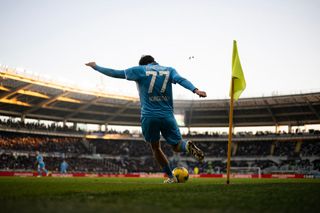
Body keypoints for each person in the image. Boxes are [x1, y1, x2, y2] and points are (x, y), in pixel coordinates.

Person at [85, 55, 207, 183]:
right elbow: (181, 79)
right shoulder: (169, 70)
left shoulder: (140, 70)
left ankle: (171, 177)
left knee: (156, 148)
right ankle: (187, 146)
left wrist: (96, 67)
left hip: (149, 116)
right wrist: (195, 90)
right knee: (177, 146)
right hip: (167, 116)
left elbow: (116, 73)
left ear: (143, 64)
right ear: (154, 61)